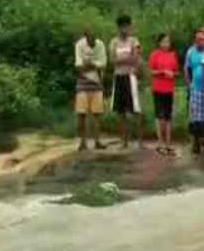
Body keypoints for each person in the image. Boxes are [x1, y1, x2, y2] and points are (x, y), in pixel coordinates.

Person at [109, 14, 144, 149]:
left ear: (129, 27)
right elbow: (113, 61)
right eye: (122, 27)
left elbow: (136, 58)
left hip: (130, 77)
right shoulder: (113, 42)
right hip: (118, 77)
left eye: (126, 26)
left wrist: (124, 59)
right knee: (120, 110)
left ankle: (140, 142)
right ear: (118, 28)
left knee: (136, 109)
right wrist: (127, 58)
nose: (124, 29)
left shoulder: (134, 41)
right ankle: (124, 141)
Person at [74, 27, 107, 151]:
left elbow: (103, 64)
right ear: (86, 38)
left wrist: (90, 65)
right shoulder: (79, 45)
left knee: (97, 113)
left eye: (93, 39)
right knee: (81, 114)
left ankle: (97, 140)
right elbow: (78, 66)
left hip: (97, 83)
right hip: (83, 83)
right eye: (89, 40)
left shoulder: (100, 45)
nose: (92, 42)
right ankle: (83, 142)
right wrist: (94, 66)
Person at [148, 33, 179, 155]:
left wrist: (172, 74)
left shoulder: (172, 55)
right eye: (164, 42)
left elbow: (177, 72)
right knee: (159, 116)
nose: (166, 44)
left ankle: (168, 143)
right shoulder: (155, 54)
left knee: (168, 116)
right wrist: (162, 72)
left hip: (169, 89)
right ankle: (160, 142)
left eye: (168, 42)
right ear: (159, 43)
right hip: (158, 88)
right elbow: (151, 71)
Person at [185, 30, 204, 155]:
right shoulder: (190, 52)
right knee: (195, 117)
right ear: (195, 40)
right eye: (197, 39)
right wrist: (189, 85)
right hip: (195, 88)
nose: (200, 42)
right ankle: (196, 142)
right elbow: (187, 69)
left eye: (202, 39)